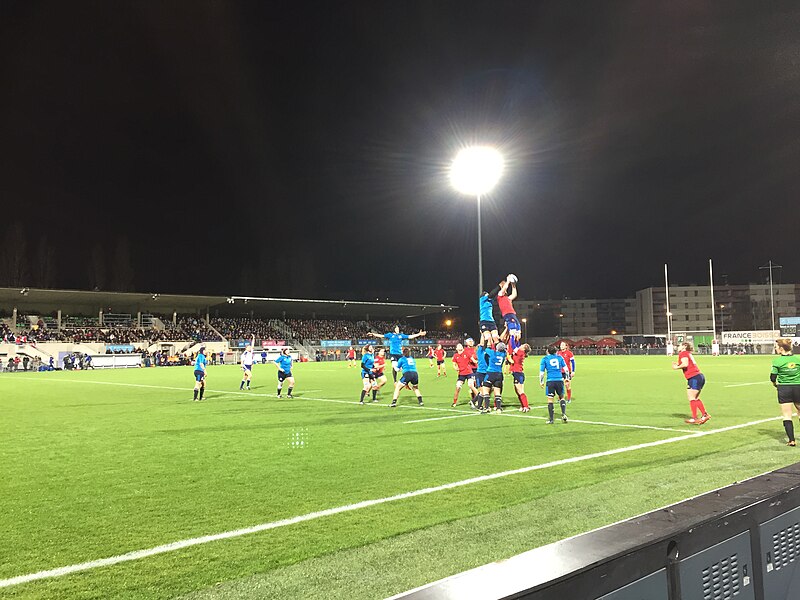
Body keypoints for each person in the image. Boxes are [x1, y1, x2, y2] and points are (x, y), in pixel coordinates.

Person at [672, 341, 710, 424]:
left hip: (694, 377)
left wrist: (676, 367)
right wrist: (678, 364)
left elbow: (685, 364)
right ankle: (704, 414)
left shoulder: (683, 353)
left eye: (679, 345)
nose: (678, 347)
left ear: (684, 346)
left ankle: (695, 418)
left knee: (691, 398)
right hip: (699, 376)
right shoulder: (688, 353)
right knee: (695, 398)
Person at [771, 338, 800, 446]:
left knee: (787, 415)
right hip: (798, 387)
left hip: (784, 388)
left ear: (781, 349)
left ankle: (791, 440)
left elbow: (773, 377)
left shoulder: (777, 361)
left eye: (776, 347)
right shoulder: (798, 360)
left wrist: (774, 384)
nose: (775, 349)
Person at [539, 346, 568, 423]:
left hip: (550, 381)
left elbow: (542, 373)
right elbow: (566, 369)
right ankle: (564, 414)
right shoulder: (560, 358)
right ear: (556, 351)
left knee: (550, 399)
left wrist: (541, 382)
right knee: (562, 397)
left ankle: (551, 419)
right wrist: (567, 378)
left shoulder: (544, 359)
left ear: (547, 351)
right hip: (559, 380)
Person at [479, 342, 507, 412]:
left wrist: (488, 341)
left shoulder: (492, 353)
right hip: (499, 374)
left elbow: (486, 348)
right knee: (497, 392)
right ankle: (498, 408)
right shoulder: (503, 354)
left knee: (485, 390)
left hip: (490, 373)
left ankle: (487, 407)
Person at [497, 279, 521, 351]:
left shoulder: (507, 298)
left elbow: (514, 295)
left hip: (513, 314)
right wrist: (508, 281)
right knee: (512, 332)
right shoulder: (500, 295)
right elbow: (504, 288)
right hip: (507, 315)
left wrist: (513, 285)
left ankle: (517, 346)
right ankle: (514, 348)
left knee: (518, 332)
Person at [451, 342, 478, 407]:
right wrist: (455, 368)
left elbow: (474, 360)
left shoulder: (466, 353)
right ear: (456, 348)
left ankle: (478, 400)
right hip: (461, 374)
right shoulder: (455, 356)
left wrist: (478, 361)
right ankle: (454, 402)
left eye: (461, 346)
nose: (460, 346)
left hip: (469, 373)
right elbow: (454, 364)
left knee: (471, 386)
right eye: (458, 346)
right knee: (457, 387)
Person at [509, 343, 531, 412]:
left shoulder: (520, 352)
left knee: (520, 391)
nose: (520, 345)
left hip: (518, 373)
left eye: (522, 345)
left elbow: (513, 345)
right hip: (517, 373)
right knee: (517, 391)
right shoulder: (520, 352)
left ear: (524, 348)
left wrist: (512, 335)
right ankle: (523, 405)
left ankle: (526, 406)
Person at [473, 342, 488, 410]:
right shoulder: (479, 352)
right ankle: (479, 406)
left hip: (487, 373)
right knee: (482, 390)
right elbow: (482, 344)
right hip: (480, 373)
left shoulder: (487, 351)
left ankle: (474, 401)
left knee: (486, 389)